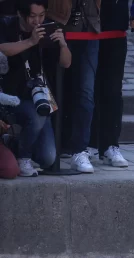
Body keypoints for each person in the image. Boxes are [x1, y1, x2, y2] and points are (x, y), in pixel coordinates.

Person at [0, 0, 71, 177]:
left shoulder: (47, 30)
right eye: (33, 16)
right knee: (37, 115)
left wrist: (63, 45)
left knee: (47, 158)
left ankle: (14, 144)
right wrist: (31, 41)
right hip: (9, 96)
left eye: (42, 15)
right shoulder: (7, 25)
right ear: (20, 14)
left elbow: (66, 63)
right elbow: (4, 50)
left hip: (37, 96)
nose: (38, 21)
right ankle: (23, 158)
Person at [92, 0, 134, 167]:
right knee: (86, 89)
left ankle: (110, 145)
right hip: (84, 26)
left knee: (113, 91)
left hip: (115, 29)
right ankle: (84, 145)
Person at [48, 0, 100, 173]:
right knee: (52, 89)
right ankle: (52, 146)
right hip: (57, 25)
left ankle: (79, 150)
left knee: (86, 92)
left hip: (89, 28)